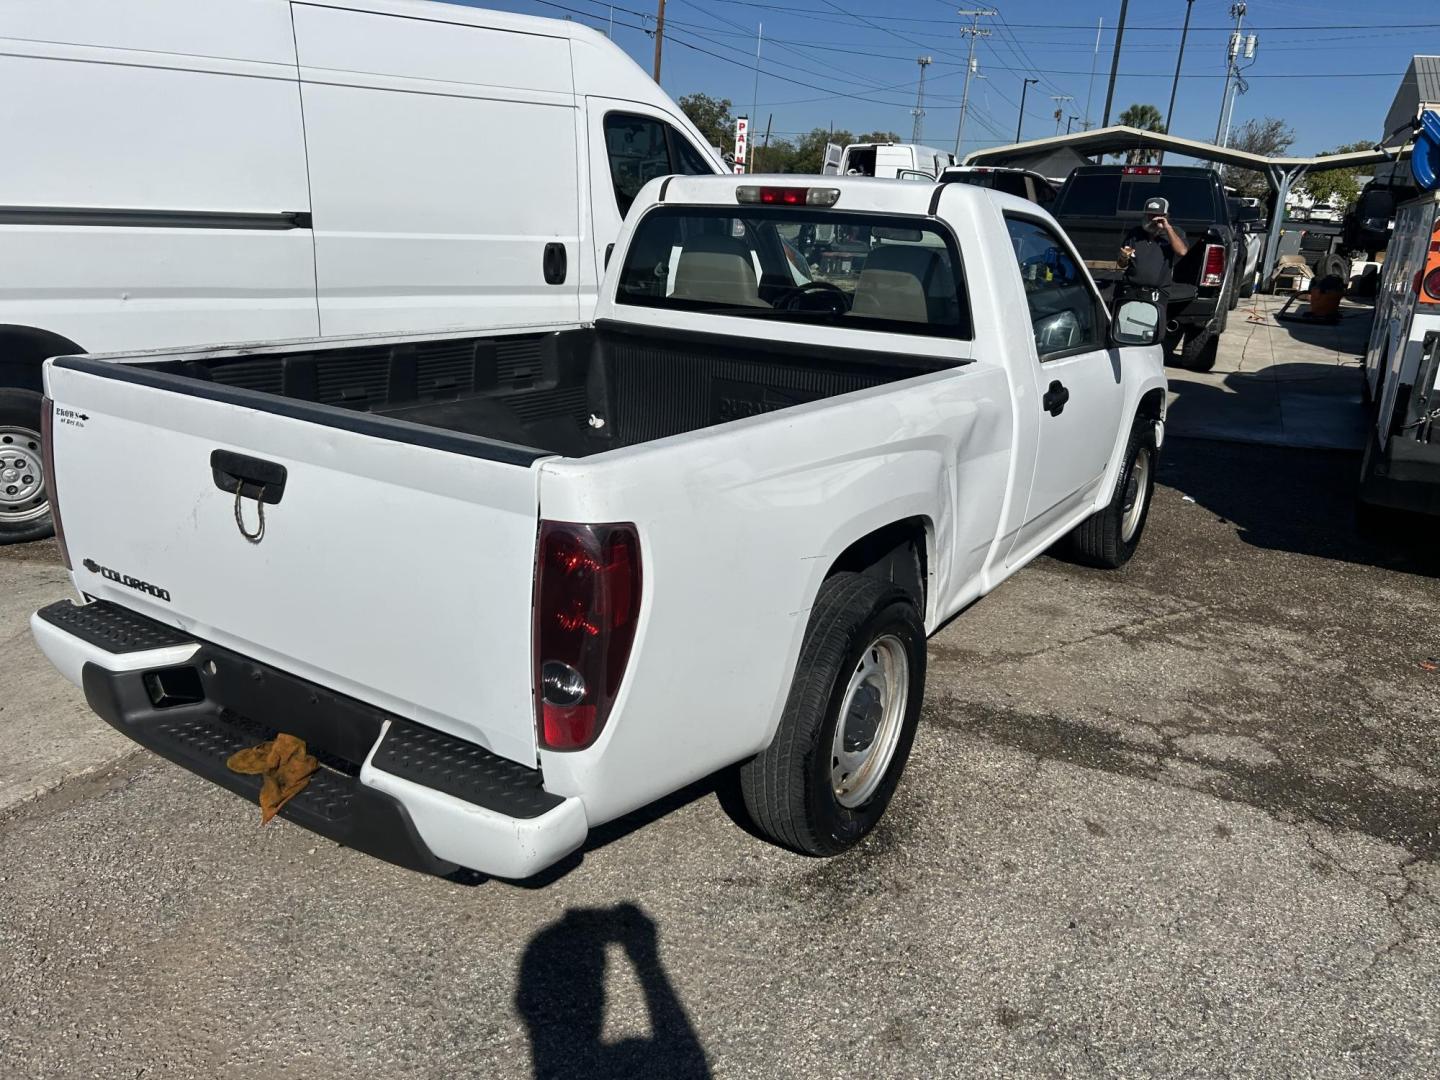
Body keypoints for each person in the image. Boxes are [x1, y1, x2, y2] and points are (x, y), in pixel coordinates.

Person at [1117, 196, 1189, 289]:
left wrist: (1167, 228)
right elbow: (1122, 264)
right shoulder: (1135, 233)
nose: (1153, 219)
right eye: (1150, 215)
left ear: (1165, 216)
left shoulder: (1174, 232)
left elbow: (1182, 252)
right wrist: (1123, 257)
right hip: (1131, 288)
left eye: (1157, 215)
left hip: (1158, 292)